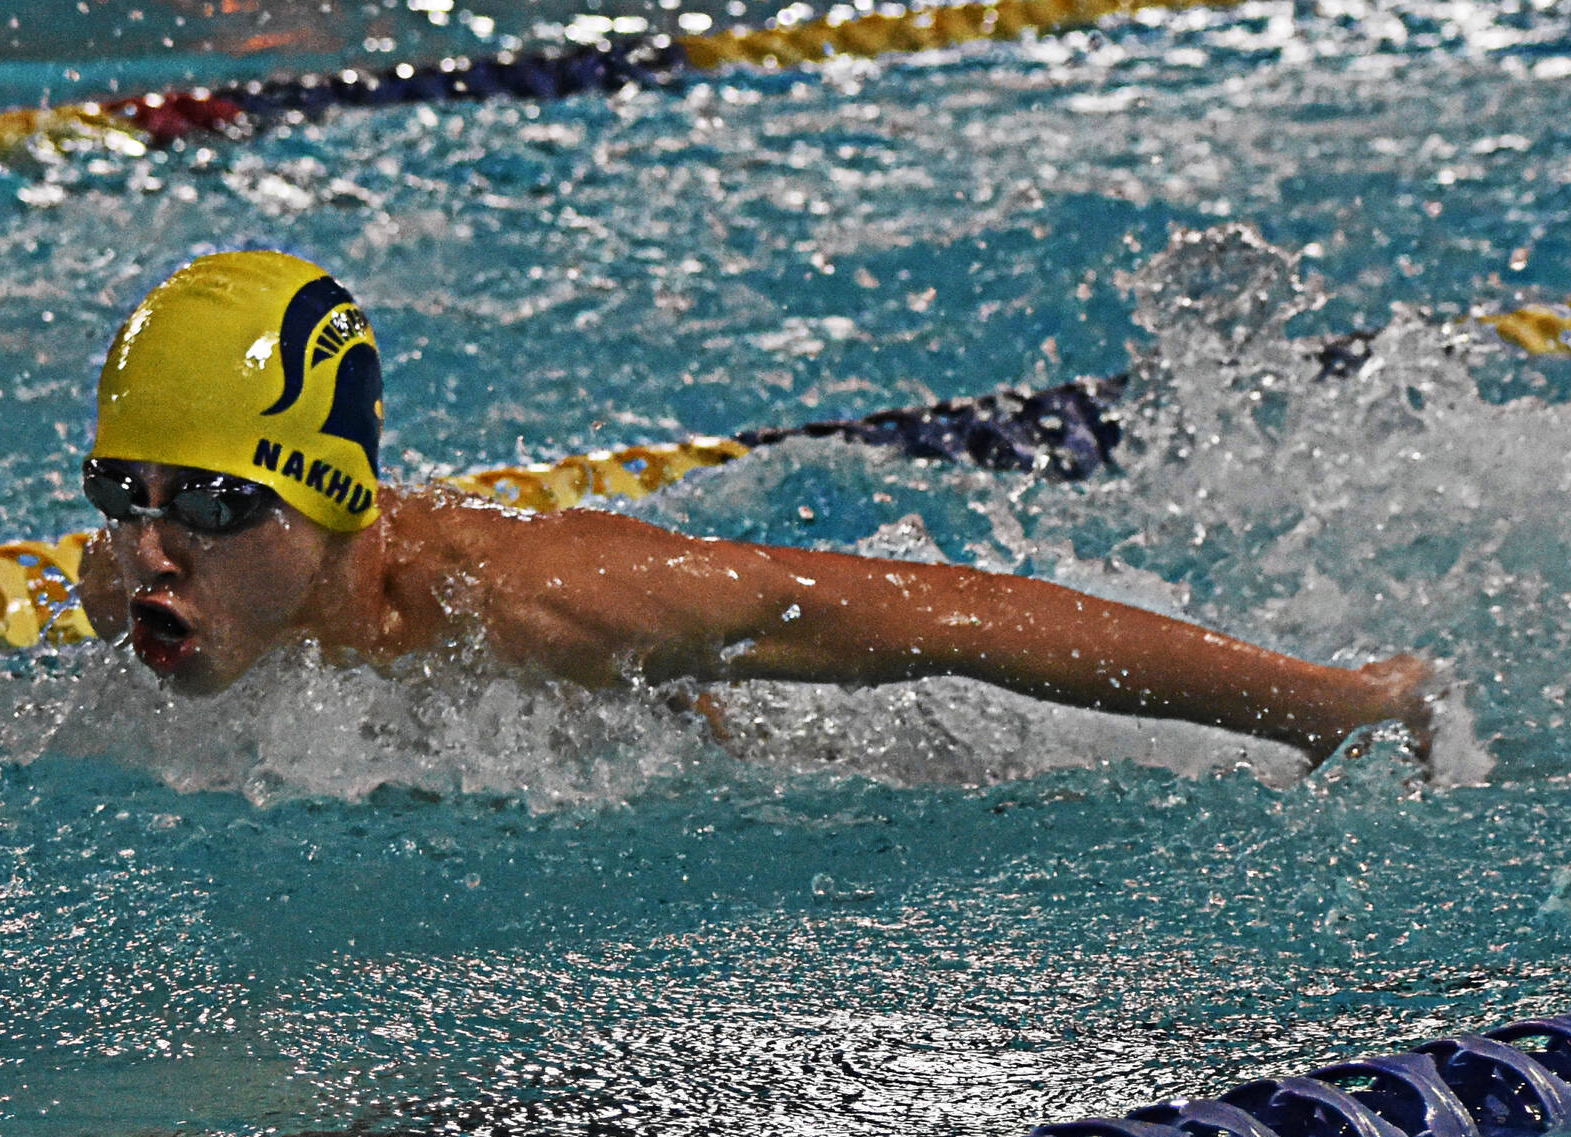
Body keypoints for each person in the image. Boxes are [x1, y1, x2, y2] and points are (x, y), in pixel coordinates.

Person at [75, 250, 1435, 764]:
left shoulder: (535, 604)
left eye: (202, 499)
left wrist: (1313, 706)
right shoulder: (139, 588)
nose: (148, 548)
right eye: (120, 495)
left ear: (323, 497)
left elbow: (943, 617)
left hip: (810, 761)